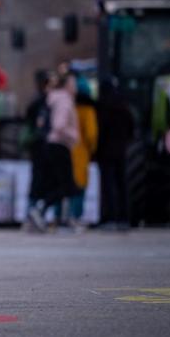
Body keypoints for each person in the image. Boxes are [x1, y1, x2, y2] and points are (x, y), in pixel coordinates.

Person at [28, 71, 79, 232]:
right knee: (66, 185)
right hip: (60, 144)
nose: (75, 87)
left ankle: (52, 215)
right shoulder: (64, 100)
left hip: (51, 145)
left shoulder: (52, 99)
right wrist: (75, 135)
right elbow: (59, 125)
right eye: (73, 84)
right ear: (66, 85)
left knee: (58, 184)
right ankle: (47, 212)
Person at [96, 77, 134, 230]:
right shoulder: (124, 106)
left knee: (108, 186)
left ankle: (110, 218)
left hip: (106, 152)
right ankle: (124, 218)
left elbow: (99, 130)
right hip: (122, 151)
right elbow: (131, 128)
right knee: (121, 184)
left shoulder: (103, 107)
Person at [22, 69, 54, 231]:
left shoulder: (41, 101)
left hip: (42, 147)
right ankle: (33, 214)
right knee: (41, 182)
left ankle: (34, 214)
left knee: (41, 182)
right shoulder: (43, 102)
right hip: (42, 146)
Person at [69, 73, 98, 232]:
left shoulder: (69, 106)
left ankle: (60, 217)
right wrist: (92, 149)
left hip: (67, 149)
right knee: (79, 186)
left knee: (64, 185)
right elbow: (91, 134)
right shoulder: (88, 111)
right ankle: (76, 217)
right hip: (81, 152)